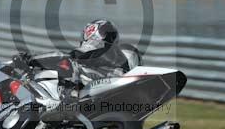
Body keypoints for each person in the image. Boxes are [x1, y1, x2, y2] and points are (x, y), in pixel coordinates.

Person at [12, 19, 141, 105]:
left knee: (66, 63)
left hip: (105, 86)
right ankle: (62, 99)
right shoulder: (126, 51)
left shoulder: (115, 51)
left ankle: (60, 99)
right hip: (109, 93)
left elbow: (68, 56)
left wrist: (29, 60)